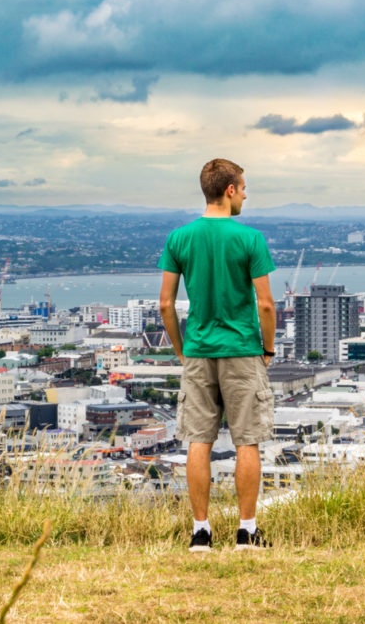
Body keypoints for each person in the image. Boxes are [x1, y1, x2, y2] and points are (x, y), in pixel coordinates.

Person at [158, 158, 277, 552]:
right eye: (243, 188)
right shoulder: (250, 239)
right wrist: (268, 349)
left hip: (198, 351)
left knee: (198, 440)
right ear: (229, 190)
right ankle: (246, 531)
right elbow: (265, 305)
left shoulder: (179, 238)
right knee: (247, 441)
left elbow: (165, 304)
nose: (245, 194)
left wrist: (181, 349)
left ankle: (200, 533)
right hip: (242, 350)